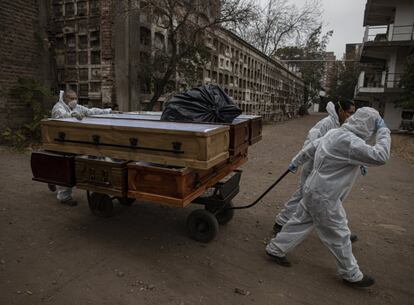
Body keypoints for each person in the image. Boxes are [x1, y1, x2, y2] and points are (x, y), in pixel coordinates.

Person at [266, 107, 391, 288]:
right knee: (339, 234)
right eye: (373, 127)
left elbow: (311, 147)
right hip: (324, 197)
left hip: (313, 189)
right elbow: (381, 156)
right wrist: (384, 131)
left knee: (299, 221)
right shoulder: (349, 141)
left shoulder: (336, 133)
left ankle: (275, 249)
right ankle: (352, 274)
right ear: (368, 126)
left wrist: (296, 160)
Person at [273, 100, 358, 237]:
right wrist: (298, 160)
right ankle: (280, 223)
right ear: (341, 110)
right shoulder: (326, 123)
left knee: (332, 199)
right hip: (313, 167)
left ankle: (341, 232)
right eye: (350, 112)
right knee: (302, 195)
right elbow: (311, 143)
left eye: (354, 113)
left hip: (327, 170)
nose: (352, 116)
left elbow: (351, 145)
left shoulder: (345, 126)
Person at [50, 89, 112, 206]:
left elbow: (90, 111)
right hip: (61, 142)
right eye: (71, 98)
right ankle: (64, 197)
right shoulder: (58, 108)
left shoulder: (76, 107)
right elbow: (61, 116)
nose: (74, 100)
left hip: (73, 141)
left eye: (75, 98)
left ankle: (53, 180)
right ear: (65, 98)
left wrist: (108, 111)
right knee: (65, 166)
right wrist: (72, 115)